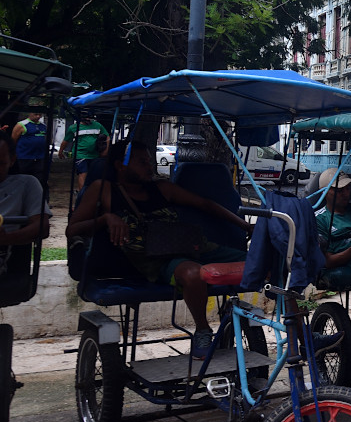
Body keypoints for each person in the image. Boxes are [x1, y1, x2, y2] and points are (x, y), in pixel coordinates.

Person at [65, 140, 253, 359]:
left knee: (263, 261)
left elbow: (206, 205)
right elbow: (73, 229)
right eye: (142, 162)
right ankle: (203, 330)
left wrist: (246, 226)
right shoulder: (103, 189)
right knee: (193, 273)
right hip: (159, 259)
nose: (149, 167)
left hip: (195, 246)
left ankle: (295, 332)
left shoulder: (162, 189)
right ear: (120, 165)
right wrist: (106, 218)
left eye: (149, 161)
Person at [0, 131, 50, 279]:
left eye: (0, 164)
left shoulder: (26, 184)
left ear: (12, 160)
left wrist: (6, 239)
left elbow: (42, 226)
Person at [59, 118, 109, 192]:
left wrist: (106, 150)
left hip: (94, 154)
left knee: (94, 174)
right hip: (80, 154)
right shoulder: (73, 127)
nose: (88, 118)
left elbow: (107, 137)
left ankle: (92, 192)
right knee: (83, 173)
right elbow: (66, 140)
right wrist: (60, 151)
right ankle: (82, 194)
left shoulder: (97, 125)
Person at [12, 112, 48, 183]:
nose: (38, 116)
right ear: (30, 113)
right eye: (36, 114)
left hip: (39, 157)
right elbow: (13, 140)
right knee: (24, 177)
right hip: (25, 156)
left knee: (39, 178)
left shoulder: (43, 126)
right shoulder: (21, 125)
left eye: (40, 115)